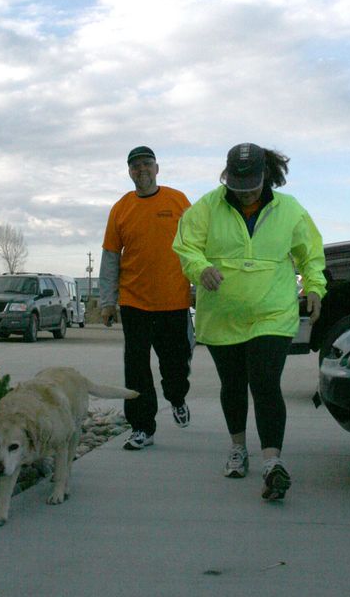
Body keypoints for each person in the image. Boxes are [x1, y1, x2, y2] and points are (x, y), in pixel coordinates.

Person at [173, 142, 326, 499]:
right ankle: (238, 448)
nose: (246, 195)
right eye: (238, 188)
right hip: (222, 315)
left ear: (266, 177)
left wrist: (315, 287)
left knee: (266, 383)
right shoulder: (207, 207)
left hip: (272, 313)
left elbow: (310, 253)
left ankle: (272, 462)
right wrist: (200, 268)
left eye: (253, 187)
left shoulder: (290, 210)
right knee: (233, 384)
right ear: (227, 179)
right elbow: (185, 246)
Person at [100, 146, 194, 451]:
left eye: (146, 164)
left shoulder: (178, 200)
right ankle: (142, 427)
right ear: (129, 172)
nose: (142, 170)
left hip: (174, 301)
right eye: (135, 166)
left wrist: (200, 285)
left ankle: (177, 398)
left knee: (176, 365)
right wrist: (107, 301)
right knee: (136, 369)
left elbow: (197, 245)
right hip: (134, 302)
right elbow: (111, 258)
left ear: (157, 168)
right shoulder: (120, 208)